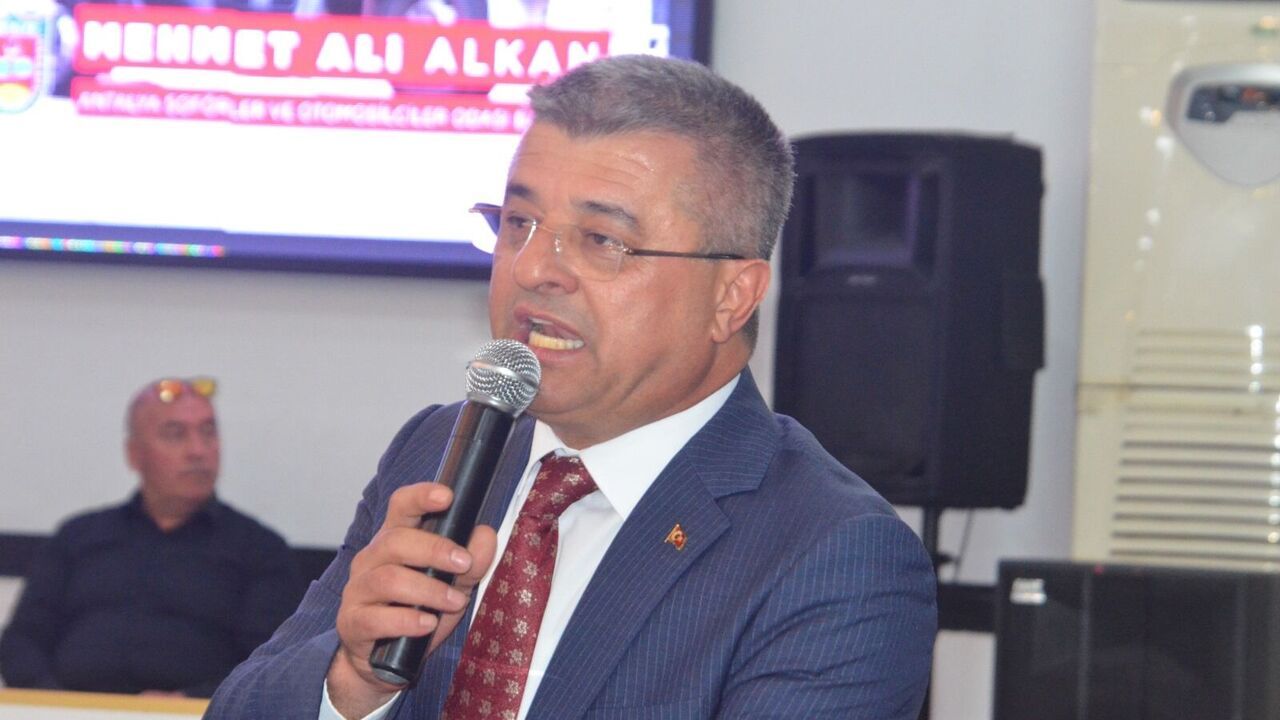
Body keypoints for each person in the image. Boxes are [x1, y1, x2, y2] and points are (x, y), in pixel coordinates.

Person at [206, 54, 937, 719]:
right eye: (518, 222)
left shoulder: (834, 556)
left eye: (602, 240)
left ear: (732, 296)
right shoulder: (439, 450)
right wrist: (350, 685)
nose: (532, 270)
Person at [0, 377, 305, 697]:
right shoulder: (77, 538)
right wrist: (62, 706)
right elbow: (22, 643)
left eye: (208, 432)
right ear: (134, 454)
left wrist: (185, 704)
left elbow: (272, 664)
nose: (198, 451)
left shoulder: (260, 551)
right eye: (176, 434)